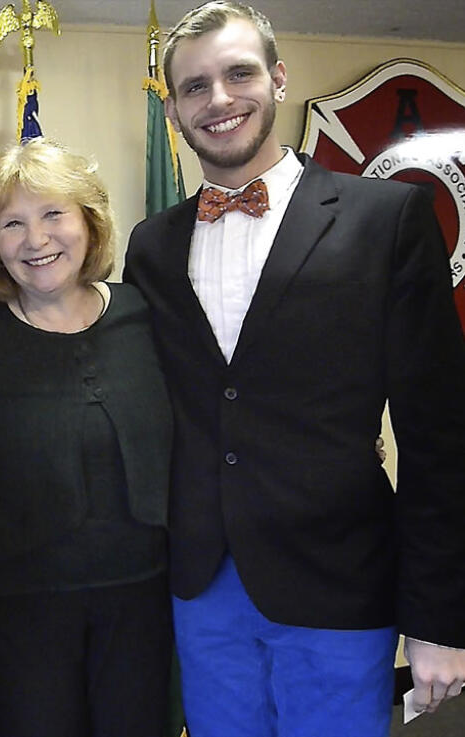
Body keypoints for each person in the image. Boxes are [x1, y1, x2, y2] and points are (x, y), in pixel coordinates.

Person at [123, 3, 465, 735]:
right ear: (175, 109)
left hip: (338, 580)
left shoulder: (389, 220)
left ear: (278, 79)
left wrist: (439, 617)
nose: (219, 99)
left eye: (239, 73)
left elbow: (440, 436)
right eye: (194, 86)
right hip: (201, 584)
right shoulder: (150, 246)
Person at [0, 139, 174, 737]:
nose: (36, 239)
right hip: (18, 611)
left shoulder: (145, 316)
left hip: (143, 602)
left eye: (53, 215)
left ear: (89, 223)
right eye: (12, 223)